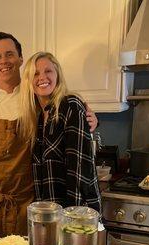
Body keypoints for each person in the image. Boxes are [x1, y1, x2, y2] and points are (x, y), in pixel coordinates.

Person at [0, 32, 98, 236]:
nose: (3, 61)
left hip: (30, 200)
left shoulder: (36, 97)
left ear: (20, 58)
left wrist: (91, 119)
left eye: (9, 54)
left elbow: (68, 114)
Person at [20, 51, 101, 212]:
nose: (42, 77)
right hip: (49, 213)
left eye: (48, 71)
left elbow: (79, 168)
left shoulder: (70, 105)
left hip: (76, 214)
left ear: (58, 75)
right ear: (29, 81)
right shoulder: (36, 118)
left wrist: (72, 218)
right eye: (35, 74)